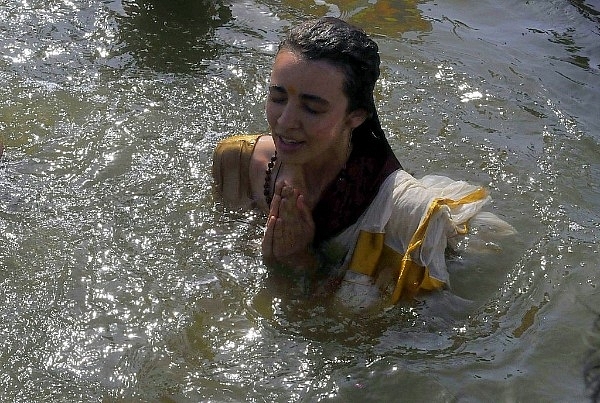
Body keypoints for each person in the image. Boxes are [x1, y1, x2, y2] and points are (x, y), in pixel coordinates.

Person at [212, 17, 514, 308]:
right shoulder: (236, 161)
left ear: (355, 116)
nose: (286, 121)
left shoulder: (404, 217)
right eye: (278, 98)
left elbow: (385, 339)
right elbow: (223, 266)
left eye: (313, 108)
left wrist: (299, 260)